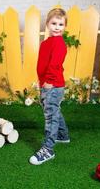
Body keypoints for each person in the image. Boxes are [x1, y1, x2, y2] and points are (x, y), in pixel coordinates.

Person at [29, 8, 70, 165]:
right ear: (47, 24)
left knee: (50, 115)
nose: (57, 27)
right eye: (54, 23)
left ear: (65, 26)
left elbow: (55, 64)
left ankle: (48, 149)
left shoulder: (59, 43)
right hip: (46, 83)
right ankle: (63, 135)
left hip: (52, 85)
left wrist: (49, 82)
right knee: (53, 110)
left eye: (61, 24)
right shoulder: (46, 43)